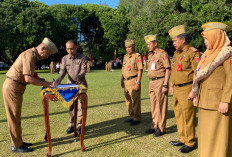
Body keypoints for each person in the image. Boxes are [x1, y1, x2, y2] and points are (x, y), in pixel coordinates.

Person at [2, 37, 58, 153]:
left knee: (16, 116)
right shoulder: (30, 55)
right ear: (42, 48)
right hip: (13, 87)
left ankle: (18, 142)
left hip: (16, 87)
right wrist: (48, 84)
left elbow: (33, 75)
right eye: (47, 54)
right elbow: (28, 78)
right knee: (13, 117)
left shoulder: (32, 55)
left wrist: (43, 81)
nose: (47, 57)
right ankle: (16, 146)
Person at [192, 22, 232, 157]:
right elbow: (199, 77)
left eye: (206, 38)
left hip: (218, 104)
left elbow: (231, 78)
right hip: (204, 102)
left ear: (216, 37)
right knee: (205, 136)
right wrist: (196, 95)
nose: (205, 42)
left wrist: (225, 100)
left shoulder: (227, 53)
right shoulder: (206, 54)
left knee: (218, 139)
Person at [168, 25, 201, 153]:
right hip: (176, 89)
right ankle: (182, 139)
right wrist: (171, 85)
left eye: (175, 40)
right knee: (179, 115)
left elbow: (197, 72)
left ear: (183, 39)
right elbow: (174, 71)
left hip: (187, 88)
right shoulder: (177, 53)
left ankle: (190, 142)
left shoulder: (193, 53)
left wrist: (194, 90)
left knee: (188, 116)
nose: (173, 43)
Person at [55, 40, 87, 135]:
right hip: (69, 86)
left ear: (76, 47)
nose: (69, 51)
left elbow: (83, 70)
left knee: (80, 106)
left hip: (80, 86)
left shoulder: (82, 58)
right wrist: (58, 80)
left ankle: (80, 126)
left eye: (71, 48)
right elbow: (62, 72)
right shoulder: (65, 58)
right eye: (67, 49)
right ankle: (71, 125)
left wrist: (79, 77)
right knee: (71, 106)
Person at [144, 35, 171, 137]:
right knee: (154, 105)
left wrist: (165, 84)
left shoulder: (162, 53)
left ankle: (161, 127)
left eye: (149, 44)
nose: (147, 46)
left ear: (155, 43)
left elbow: (168, 69)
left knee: (161, 105)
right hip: (152, 82)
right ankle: (154, 125)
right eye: (147, 44)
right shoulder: (150, 55)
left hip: (160, 81)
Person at [121, 39, 143, 126]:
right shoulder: (125, 57)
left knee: (135, 100)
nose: (128, 49)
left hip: (134, 80)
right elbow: (123, 70)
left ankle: (137, 118)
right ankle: (132, 115)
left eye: (129, 47)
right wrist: (122, 80)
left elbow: (140, 70)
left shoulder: (137, 56)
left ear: (133, 47)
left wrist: (138, 82)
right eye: (126, 47)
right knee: (128, 100)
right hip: (126, 81)